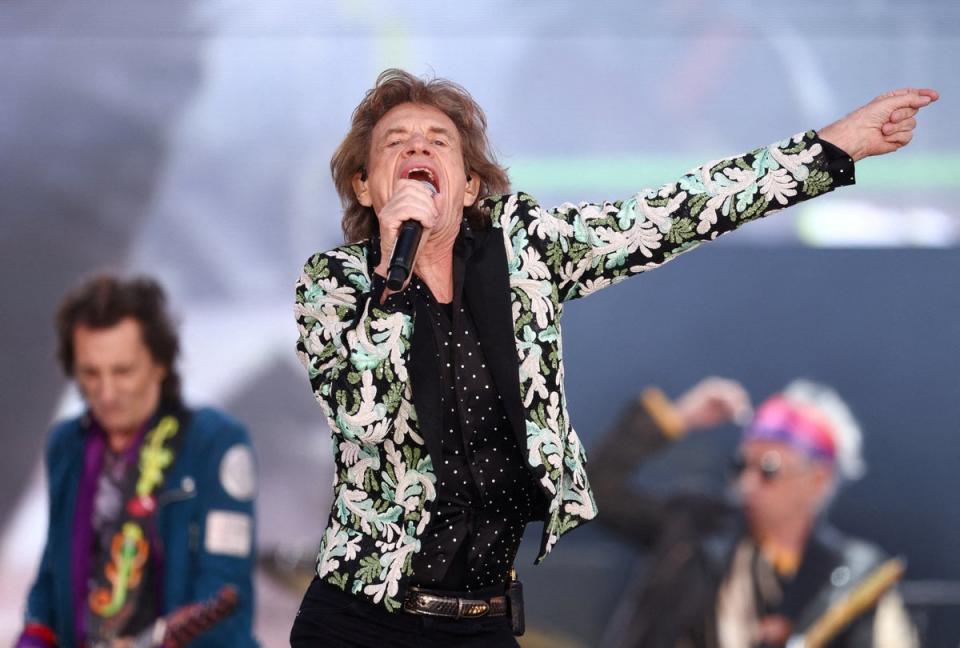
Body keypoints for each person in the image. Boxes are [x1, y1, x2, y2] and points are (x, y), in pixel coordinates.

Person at [291, 68, 936, 646]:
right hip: (361, 620)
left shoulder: (528, 255)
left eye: (437, 139)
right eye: (395, 141)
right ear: (366, 186)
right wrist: (391, 277)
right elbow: (365, 415)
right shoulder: (333, 285)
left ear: (468, 186)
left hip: (480, 617)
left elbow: (677, 211)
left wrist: (833, 147)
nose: (417, 148)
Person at [17, 276, 258, 648]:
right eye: (91, 373)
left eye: (123, 371)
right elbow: (51, 577)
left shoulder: (215, 442)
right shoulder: (66, 443)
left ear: (160, 364)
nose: (107, 392)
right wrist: (34, 637)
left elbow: (225, 598)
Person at [591, 378, 917, 647]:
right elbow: (592, 493)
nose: (747, 482)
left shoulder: (850, 575)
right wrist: (678, 417)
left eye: (768, 469)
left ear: (818, 478)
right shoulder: (695, 524)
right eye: (741, 465)